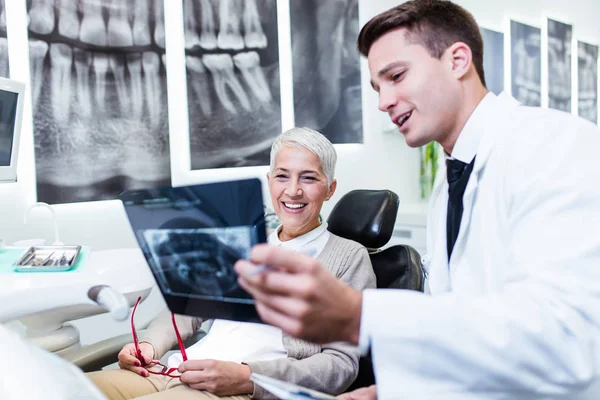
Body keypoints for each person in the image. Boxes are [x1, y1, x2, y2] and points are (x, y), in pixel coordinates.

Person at [235, 1, 600, 399]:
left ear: (458, 60)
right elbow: (465, 344)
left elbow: (571, 342)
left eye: (396, 76)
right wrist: (389, 392)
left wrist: (361, 316)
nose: (383, 101)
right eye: (377, 86)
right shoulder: (449, 186)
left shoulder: (555, 144)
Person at [87, 126, 376, 400]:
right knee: (59, 388)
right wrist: (150, 345)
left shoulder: (348, 257)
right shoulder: (244, 239)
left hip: (241, 389)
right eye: (282, 176)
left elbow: (341, 365)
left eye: (309, 178)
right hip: (178, 371)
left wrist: (249, 377)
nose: (293, 191)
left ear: (330, 188)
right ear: (269, 180)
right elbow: (188, 307)